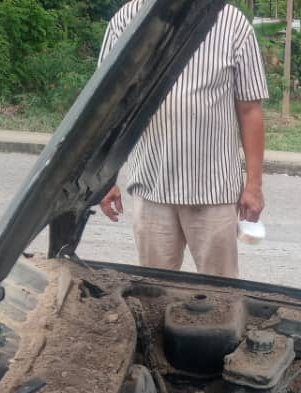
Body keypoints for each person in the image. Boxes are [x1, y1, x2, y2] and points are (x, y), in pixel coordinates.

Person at [97, 2, 268, 277]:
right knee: (155, 294)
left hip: (214, 191)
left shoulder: (231, 22)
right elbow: (108, 104)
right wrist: (105, 176)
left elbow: (250, 110)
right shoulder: (127, 20)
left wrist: (254, 185)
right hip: (151, 186)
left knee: (219, 298)